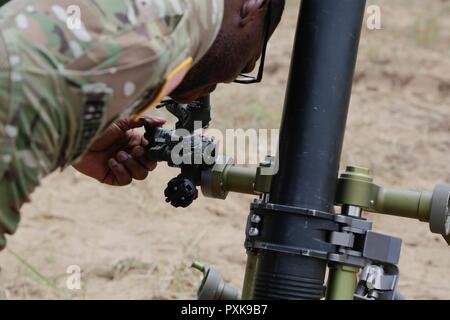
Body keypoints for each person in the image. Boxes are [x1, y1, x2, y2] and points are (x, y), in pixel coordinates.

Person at [0, 0, 285, 250]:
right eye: (247, 63)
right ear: (253, 6)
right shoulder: (158, 35)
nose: (217, 87)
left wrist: (80, 138)